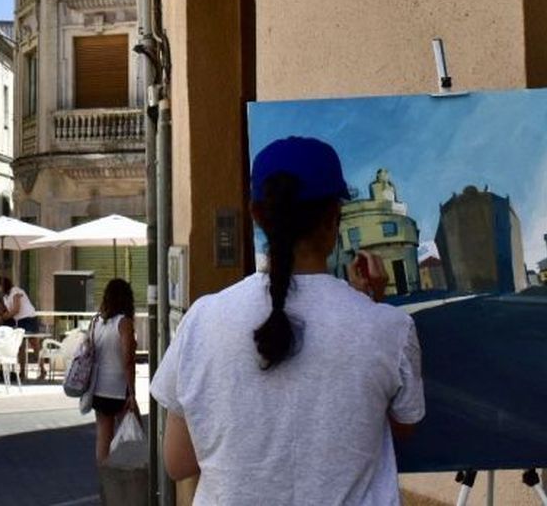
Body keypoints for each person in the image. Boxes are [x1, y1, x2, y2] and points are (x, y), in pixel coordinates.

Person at [150, 136, 424, 505]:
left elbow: (178, 462)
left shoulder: (202, 320)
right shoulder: (389, 328)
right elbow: (401, 427)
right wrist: (370, 305)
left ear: (256, 214)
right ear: (334, 218)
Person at [89, 278, 138, 466]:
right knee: (132, 434)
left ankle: (104, 476)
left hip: (98, 388)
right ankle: (128, 474)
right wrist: (132, 392)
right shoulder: (124, 323)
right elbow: (128, 360)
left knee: (103, 437)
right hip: (119, 388)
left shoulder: (96, 322)